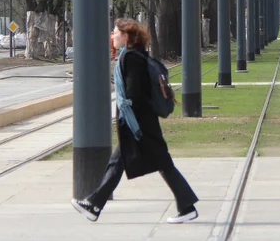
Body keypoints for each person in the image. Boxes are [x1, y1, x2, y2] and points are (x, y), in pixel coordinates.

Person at [72, 19, 199, 224]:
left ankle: (94, 204)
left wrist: (132, 123)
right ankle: (94, 204)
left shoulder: (131, 58)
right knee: (130, 162)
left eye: (115, 32)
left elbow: (135, 94)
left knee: (158, 163)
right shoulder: (137, 55)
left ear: (126, 36)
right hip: (141, 121)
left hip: (138, 123)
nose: (112, 36)